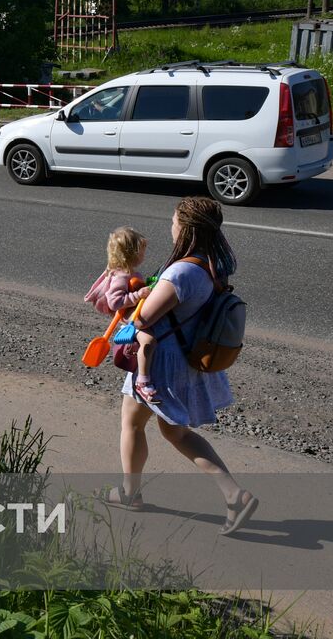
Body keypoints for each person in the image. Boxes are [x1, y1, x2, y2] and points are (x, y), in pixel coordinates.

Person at [107, 196, 257, 536]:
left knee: (132, 423)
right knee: (174, 431)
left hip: (162, 362)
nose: (170, 226)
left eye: (174, 221)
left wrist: (135, 298)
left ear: (185, 228)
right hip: (187, 358)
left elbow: (143, 318)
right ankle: (234, 495)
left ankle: (131, 493)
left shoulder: (181, 271)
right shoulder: (212, 264)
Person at [84, 226, 151, 374]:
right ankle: (141, 375)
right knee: (147, 342)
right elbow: (115, 302)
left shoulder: (127, 272)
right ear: (131, 254)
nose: (144, 255)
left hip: (130, 316)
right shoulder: (122, 276)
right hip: (126, 319)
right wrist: (138, 295)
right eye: (142, 251)